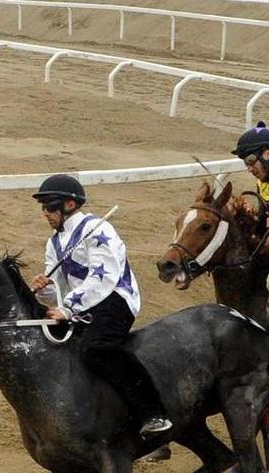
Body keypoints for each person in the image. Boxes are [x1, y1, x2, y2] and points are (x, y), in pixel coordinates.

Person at [28, 174, 172, 436]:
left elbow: (102, 278)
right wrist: (44, 289)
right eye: (43, 207)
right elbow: (57, 293)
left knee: (96, 348)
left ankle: (154, 413)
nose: (44, 213)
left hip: (115, 299)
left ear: (69, 205)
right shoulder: (54, 243)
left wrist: (68, 308)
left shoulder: (98, 229)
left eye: (49, 206)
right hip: (85, 306)